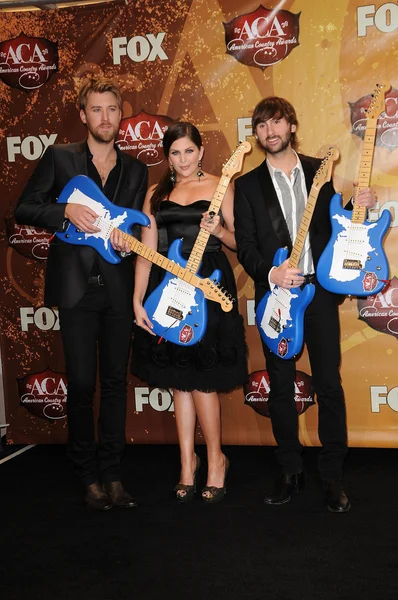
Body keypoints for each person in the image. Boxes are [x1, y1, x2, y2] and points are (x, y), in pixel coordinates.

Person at [234, 97, 376, 512]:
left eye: (276, 122)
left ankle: (332, 476)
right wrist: (270, 273)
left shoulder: (319, 170)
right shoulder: (245, 185)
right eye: (261, 126)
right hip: (276, 297)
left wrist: (358, 205)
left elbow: (337, 225)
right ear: (257, 133)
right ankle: (290, 471)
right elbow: (244, 247)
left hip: (318, 295)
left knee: (329, 384)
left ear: (291, 125)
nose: (270, 131)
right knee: (280, 387)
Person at [15, 77, 148, 511]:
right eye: (96, 109)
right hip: (75, 291)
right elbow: (23, 207)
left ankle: (112, 474)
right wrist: (63, 210)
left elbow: (129, 224)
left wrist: (127, 239)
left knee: (113, 384)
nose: (105, 117)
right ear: (83, 115)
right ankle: (87, 475)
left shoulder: (136, 168)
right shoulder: (60, 158)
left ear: (120, 113)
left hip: (117, 288)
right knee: (81, 384)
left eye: (112, 109)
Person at [131, 122, 248, 504]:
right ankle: (187, 463)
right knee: (179, 381)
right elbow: (147, 252)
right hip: (169, 291)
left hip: (210, 289)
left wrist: (217, 232)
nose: (182, 160)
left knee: (203, 379)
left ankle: (216, 460)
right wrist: (137, 299)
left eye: (188, 151)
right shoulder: (155, 193)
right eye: (174, 153)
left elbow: (239, 242)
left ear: (200, 151)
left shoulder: (221, 185)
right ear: (167, 156)